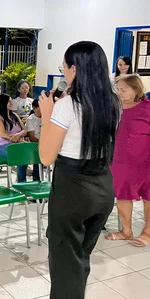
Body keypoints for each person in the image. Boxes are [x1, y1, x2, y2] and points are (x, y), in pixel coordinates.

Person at [38, 41, 120, 299]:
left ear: (74, 69)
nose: (63, 73)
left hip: (73, 191)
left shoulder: (67, 105)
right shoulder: (113, 103)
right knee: (80, 258)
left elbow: (46, 157)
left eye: (64, 67)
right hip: (103, 188)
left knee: (65, 263)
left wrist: (47, 116)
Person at [105, 74, 150, 246]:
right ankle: (126, 230)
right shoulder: (115, 107)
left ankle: (147, 231)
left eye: (124, 89)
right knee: (122, 194)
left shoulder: (147, 107)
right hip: (119, 160)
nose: (120, 93)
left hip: (145, 162)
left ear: (136, 89)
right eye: (118, 89)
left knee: (148, 195)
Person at [0, 94, 27, 181]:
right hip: (2, 145)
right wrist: (16, 140)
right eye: (9, 101)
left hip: (18, 143)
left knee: (34, 150)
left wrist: (18, 135)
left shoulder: (14, 115)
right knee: (20, 154)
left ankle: (36, 177)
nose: (11, 103)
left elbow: (25, 130)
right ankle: (21, 182)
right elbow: (3, 134)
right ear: (3, 103)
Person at [20, 99, 42, 182]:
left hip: (43, 144)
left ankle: (38, 178)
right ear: (34, 108)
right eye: (40, 107)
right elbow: (32, 137)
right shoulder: (31, 119)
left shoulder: (47, 117)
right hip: (34, 144)